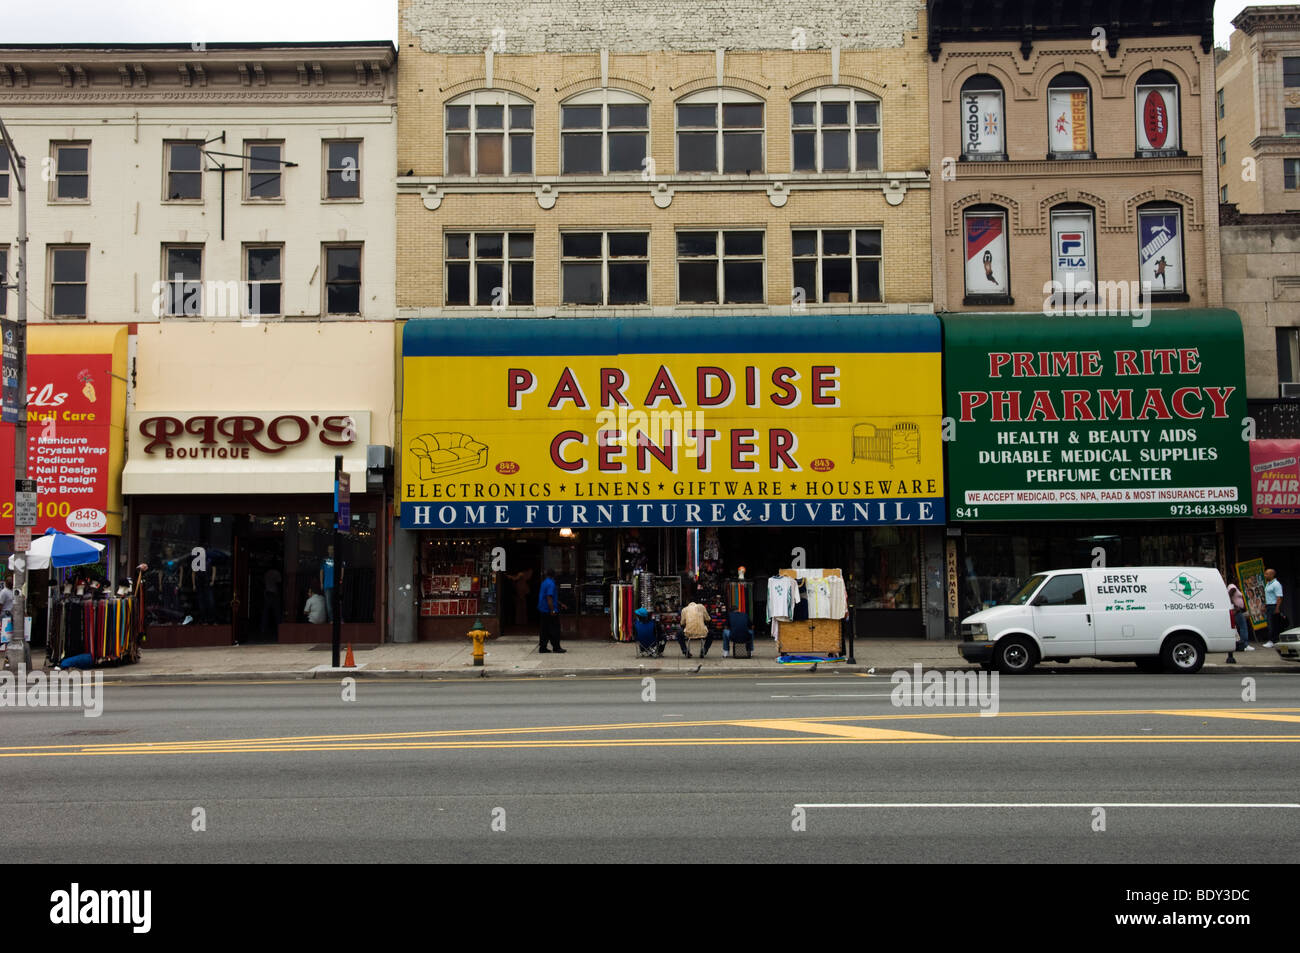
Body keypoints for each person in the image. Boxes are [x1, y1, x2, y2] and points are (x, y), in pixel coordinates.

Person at [537, 569, 565, 653]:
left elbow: (549, 597)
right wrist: (552, 610)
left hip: (543, 610)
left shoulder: (544, 583)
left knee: (544, 630)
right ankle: (556, 647)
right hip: (549, 610)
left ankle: (543, 647)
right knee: (555, 629)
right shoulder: (551, 584)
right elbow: (549, 598)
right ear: (554, 575)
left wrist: (560, 603)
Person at [1226, 582, 1248, 664]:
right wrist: (1234, 605)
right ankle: (1244, 643)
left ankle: (1241, 644)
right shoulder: (1232, 586)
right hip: (1236, 610)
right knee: (1243, 627)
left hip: (1237, 610)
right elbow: (1230, 593)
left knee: (1238, 628)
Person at [320, 545, 342, 623]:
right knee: (328, 604)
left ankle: (339, 619)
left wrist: (341, 580)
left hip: (335, 584)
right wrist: (321, 583)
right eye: (330, 549)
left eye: (332, 549)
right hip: (327, 584)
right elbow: (321, 571)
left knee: (337, 603)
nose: (331, 551)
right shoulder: (324, 560)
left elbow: (342, 569)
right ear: (327, 550)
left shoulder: (337, 559)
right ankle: (331, 619)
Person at [1264, 568, 1284, 648]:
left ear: (1272, 575)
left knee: (1273, 624)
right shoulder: (1268, 584)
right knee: (1269, 623)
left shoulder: (1276, 584)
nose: (1265, 575)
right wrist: (1265, 605)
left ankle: (1273, 640)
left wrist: (1277, 608)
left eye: (1267, 574)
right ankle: (1271, 640)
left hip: (1273, 606)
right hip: (1269, 606)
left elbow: (1279, 597)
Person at [262, 565, 282, 638]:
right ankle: (279, 629)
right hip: (274, 593)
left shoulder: (267, 573)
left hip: (267, 593)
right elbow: (279, 583)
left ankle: (263, 629)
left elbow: (264, 583)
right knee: (277, 612)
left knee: (266, 612)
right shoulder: (276, 573)